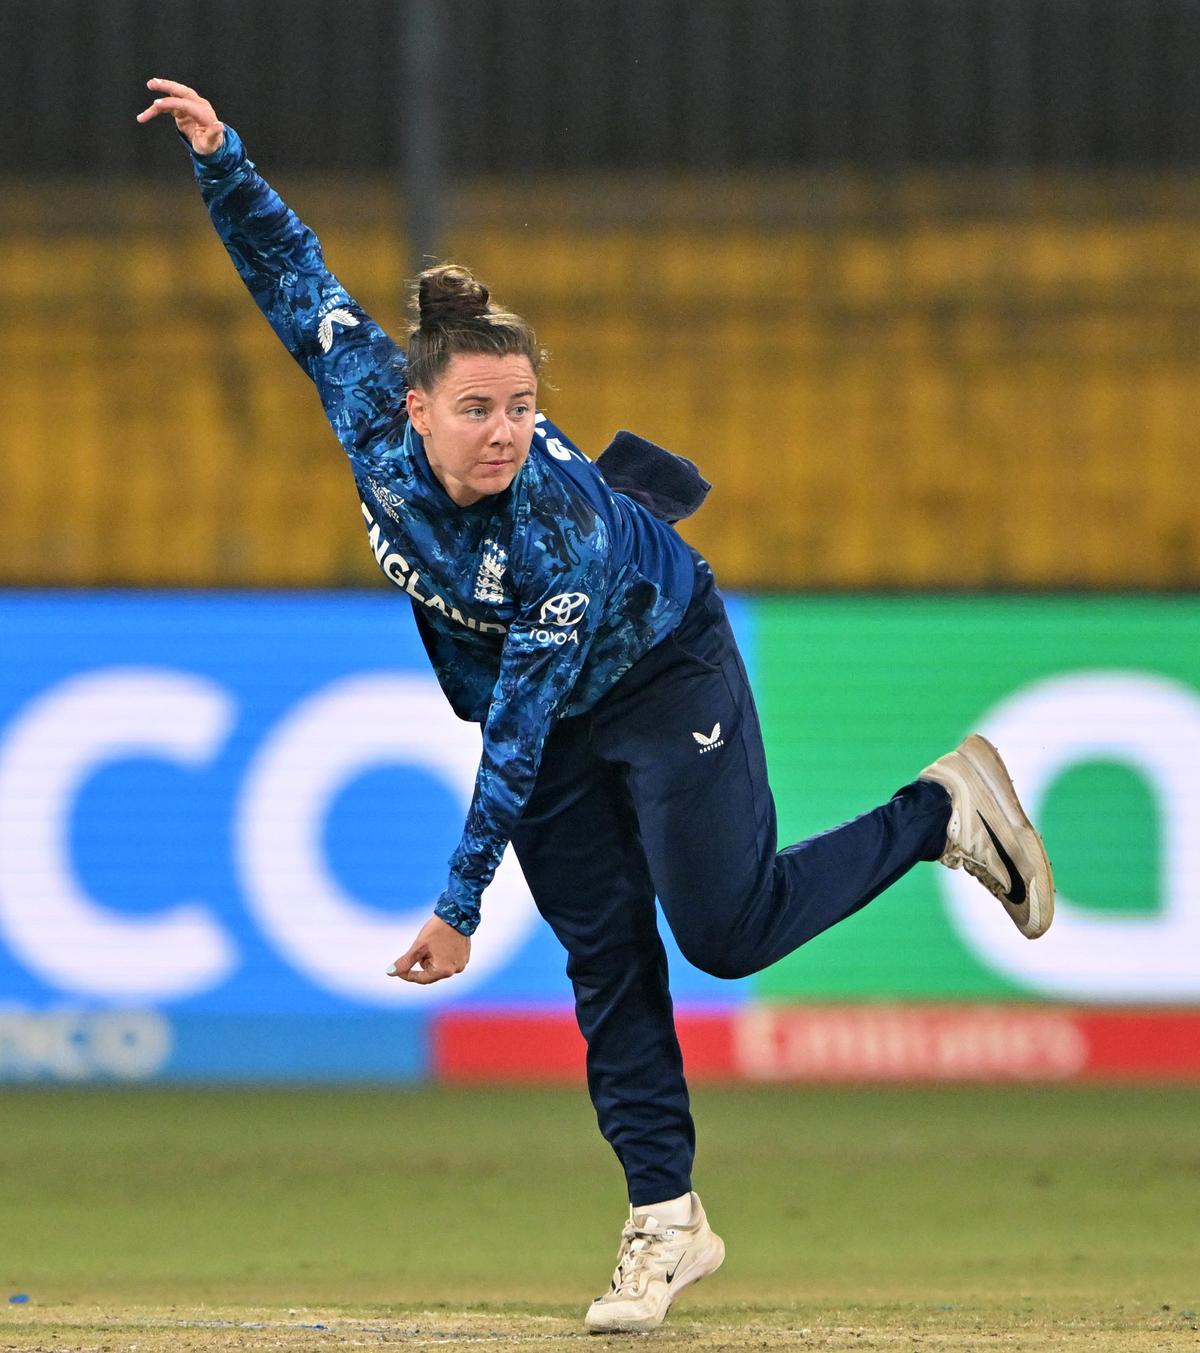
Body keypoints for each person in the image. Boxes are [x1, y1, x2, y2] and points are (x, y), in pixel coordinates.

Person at [138, 78, 1055, 1334]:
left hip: (658, 665)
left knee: (725, 932)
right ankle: (666, 1223)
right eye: (480, 409)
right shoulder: (365, 397)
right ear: (412, 411)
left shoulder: (554, 528)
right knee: (607, 960)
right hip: (553, 703)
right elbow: (292, 277)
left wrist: (457, 908)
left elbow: (517, 729)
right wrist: (222, 158)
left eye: (522, 406)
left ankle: (939, 808)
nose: (507, 430)